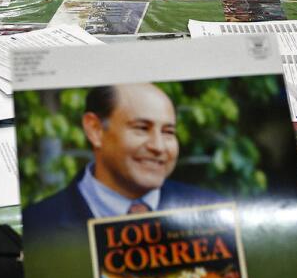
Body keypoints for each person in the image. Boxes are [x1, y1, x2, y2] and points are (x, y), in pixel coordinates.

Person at [22, 83, 221, 233]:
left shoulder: (213, 212)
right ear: (96, 130)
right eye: (142, 128)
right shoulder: (36, 226)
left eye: (168, 132)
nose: (159, 147)